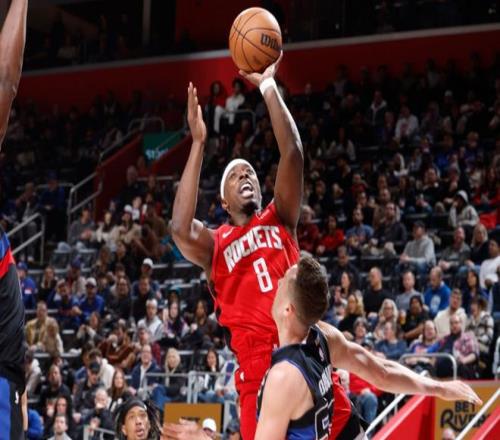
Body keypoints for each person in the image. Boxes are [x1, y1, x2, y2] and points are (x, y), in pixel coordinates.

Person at [163, 257, 482, 440]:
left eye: (282, 283)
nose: (276, 284)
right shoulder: (323, 337)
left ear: (288, 309)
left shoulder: (284, 377)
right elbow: (382, 372)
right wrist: (439, 388)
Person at [171, 55, 304, 440]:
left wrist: (268, 86)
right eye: (235, 175)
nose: (245, 175)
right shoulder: (215, 243)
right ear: (224, 203)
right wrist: (198, 143)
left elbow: (293, 153)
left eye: (250, 173)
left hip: (298, 348)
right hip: (255, 367)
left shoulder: (280, 216)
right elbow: (179, 228)